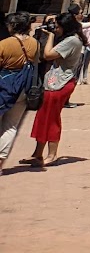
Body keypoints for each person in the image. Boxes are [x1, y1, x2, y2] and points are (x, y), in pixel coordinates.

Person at [25, 12, 84, 168]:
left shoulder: (72, 41)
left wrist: (50, 36)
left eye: (57, 27)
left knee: (51, 119)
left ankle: (52, 154)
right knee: (43, 118)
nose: (55, 29)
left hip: (60, 84)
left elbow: (48, 54)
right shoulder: (70, 39)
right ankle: (38, 154)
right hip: (55, 82)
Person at [0, 12, 42, 171]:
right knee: (10, 126)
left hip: (4, 87)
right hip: (24, 88)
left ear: (13, 25)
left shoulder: (5, 44)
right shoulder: (35, 43)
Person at [73, 11, 90, 104]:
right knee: (81, 63)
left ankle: (85, 78)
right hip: (85, 46)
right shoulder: (85, 27)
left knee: (87, 63)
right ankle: (79, 79)